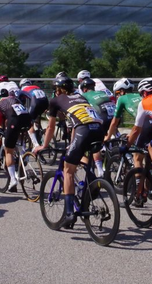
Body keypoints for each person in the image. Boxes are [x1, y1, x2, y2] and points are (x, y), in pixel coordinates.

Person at [35, 75, 105, 227]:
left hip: (84, 131)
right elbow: (76, 123)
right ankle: (92, 183)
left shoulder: (55, 100)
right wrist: (73, 143)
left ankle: (69, 214)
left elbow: (51, 127)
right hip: (98, 130)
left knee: (68, 170)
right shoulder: (80, 97)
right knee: (80, 157)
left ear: (58, 90)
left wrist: (44, 145)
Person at [0, 86, 34, 192]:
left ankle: (13, 180)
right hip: (27, 119)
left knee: (9, 151)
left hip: (14, 120)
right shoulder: (14, 98)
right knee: (18, 139)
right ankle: (24, 155)